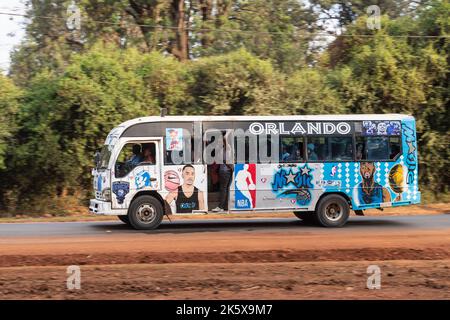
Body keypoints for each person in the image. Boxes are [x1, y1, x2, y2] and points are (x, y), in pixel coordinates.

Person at [212, 137, 233, 212]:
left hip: (225, 171)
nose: (218, 143)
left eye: (220, 142)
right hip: (223, 170)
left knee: (223, 189)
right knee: (225, 189)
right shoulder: (222, 150)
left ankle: (221, 207)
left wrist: (224, 136)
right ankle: (225, 206)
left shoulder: (228, 148)